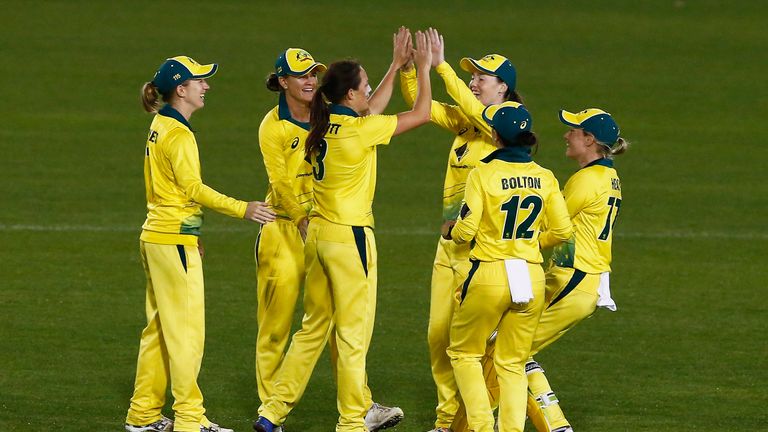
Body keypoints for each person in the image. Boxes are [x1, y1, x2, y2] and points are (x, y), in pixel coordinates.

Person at [254, 29, 434, 432]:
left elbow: (370, 108)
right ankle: (352, 421)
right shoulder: (358, 130)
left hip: (317, 235)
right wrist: (422, 68)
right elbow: (421, 113)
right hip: (350, 239)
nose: (368, 91)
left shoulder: (321, 124)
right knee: (352, 335)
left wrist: (394, 66)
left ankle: (272, 411)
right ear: (350, 95)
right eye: (364, 85)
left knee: (313, 328)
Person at [125, 56, 276, 432]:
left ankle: (142, 414)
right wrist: (243, 209)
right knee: (186, 334)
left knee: (160, 331)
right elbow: (192, 188)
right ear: (181, 89)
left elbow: (169, 189)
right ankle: (190, 419)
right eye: (199, 81)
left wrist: (192, 232)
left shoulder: (160, 124)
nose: (206, 86)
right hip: (171, 241)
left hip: (158, 237)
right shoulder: (179, 134)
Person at [399, 29, 524, 432]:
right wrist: (412, 69)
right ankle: (447, 420)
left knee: (474, 345)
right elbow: (422, 106)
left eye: (481, 77)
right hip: (449, 248)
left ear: (503, 88)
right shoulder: (468, 123)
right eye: (471, 76)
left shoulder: (504, 126)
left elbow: (472, 108)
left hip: (480, 253)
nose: (473, 82)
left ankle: (476, 420)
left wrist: (441, 67)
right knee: (438, 336)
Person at [442, 101, 572, 432]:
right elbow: (562, 231)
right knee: (512, 362)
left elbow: (465, 232)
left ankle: (482, 426)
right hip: (530, 275)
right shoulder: (545, 176)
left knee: (464, 354)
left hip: (489, 273)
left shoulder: (483, 173)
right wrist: (531, 244)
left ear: (495, 136)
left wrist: (451, 231)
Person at [524, 108, 629, 432]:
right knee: (509, 349)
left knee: (508, 351)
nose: (566, 135)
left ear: (590, 139)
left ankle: (554, 426)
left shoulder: (587, 180)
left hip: (574, 280)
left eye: (573, 130)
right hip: (580, 279)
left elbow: (550, 226)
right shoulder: (607, 177)